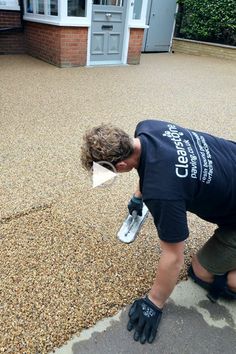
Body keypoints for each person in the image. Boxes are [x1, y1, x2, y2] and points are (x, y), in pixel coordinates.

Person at [81, 119, 236, 344]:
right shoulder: (148, 128)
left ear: (121, 166)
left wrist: (154, 302)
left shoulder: (162, 193)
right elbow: (154, 165)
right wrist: (138, 196)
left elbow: (173, 257)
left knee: (201, 272)